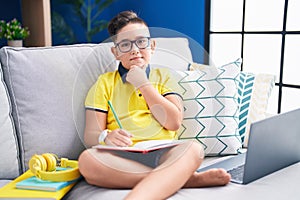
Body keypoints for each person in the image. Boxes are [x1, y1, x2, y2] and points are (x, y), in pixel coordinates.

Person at [78, 10, 231, 200]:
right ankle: (184, 179)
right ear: (115, 52)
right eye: (125, 44)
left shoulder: (164, 77)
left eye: (141, 42)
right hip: (122, 158)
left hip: (165, 153)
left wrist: (144, 84)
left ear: (152, 46)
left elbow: (174, 122)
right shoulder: (104, 83)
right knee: (86, 161)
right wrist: (106, 137)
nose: (135, 50)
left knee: (193, 149)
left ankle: (156, 185)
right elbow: (90, 135)